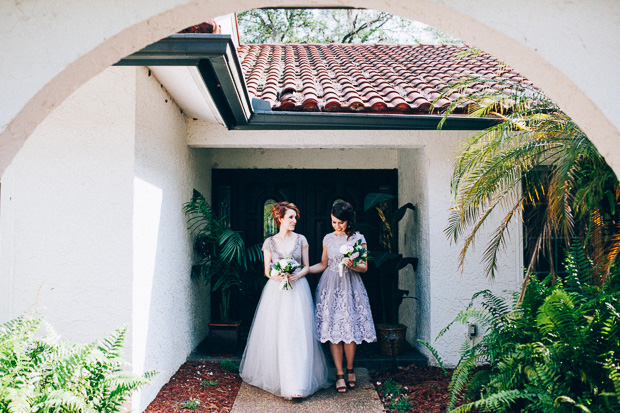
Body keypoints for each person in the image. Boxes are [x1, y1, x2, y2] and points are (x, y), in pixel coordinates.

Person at [239, 201, 329, 401]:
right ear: (280, 219)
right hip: (277, 291)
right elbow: (267, 270)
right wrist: (278, 275)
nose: (294, 220)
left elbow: (306, 266)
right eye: (290, 217)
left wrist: (298, 275)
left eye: (295, 217)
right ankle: (281, 380)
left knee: (297, 333)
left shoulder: (301, 240)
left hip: (298, 290)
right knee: (278, 332)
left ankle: (298, 383)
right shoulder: (269, 242)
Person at [309, 201, 376, 393]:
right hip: (330, 286)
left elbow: (364, 266)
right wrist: (305, 270)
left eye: (340, 223)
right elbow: (323, 264)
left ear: (349, 221)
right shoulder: (328, 239)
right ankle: (339, 373)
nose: (337, 226)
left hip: (350, 285)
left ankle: (350, 369)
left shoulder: (358, 239)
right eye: (333, 222)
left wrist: (351, 264)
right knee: (333, 330)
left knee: (349, 330)